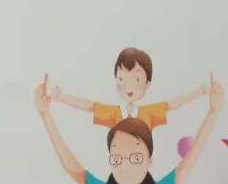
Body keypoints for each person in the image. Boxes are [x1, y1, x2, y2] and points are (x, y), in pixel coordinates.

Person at [34, 72, 224, 184]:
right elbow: (72, 167)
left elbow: (190, 160)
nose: (125, 165)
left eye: (135, 157)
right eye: (117, 158)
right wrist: (45, 115)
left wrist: (214, 112)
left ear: (149, 161)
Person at [52, 47, 209, 131]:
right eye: (122, 79)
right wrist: (63, 97)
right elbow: (90, 106)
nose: (129, 87)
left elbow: (170, 105)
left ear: (147, 84)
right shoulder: (114, 113)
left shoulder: (148, 113)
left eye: (137, 79)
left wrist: (198, 92)